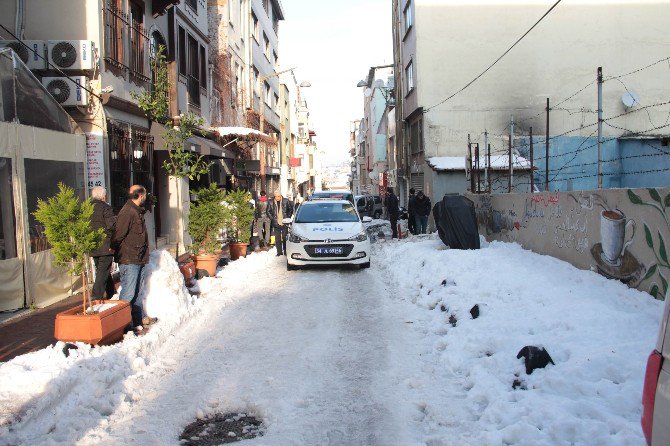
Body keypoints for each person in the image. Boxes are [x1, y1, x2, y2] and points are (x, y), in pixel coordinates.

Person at [112, 185, 155, 329]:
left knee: (137, 291)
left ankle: (138, 319)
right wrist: (115, 249)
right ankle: (120, 325)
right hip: (129, 258)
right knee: (128, 293)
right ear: (141, 195)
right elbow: (118, 235)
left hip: (138, 258)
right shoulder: (128, 212)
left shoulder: (136, 211)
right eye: (145, 195)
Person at [89, 186, 116, 301]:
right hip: (105, 245)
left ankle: (111, 292)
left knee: (102, 270)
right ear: (104, 196)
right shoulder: (106, 208)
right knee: (102, 271)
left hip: (92, 244)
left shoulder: (87, 208)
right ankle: (96, 296)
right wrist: (112, 242)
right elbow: (112, 226)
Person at [269, 189, 294, 256]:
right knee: (277, 239)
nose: (277, 198)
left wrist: (287, 217)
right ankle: (279, 252)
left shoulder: (286, 201)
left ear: (281, 196)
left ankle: (285, 251)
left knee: (284, 237)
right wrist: (272, 218)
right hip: (276, 223)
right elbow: (268, 211)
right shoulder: (271, 202)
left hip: (284, 223)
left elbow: (290, 209)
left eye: (278, 196)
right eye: (276, 196)